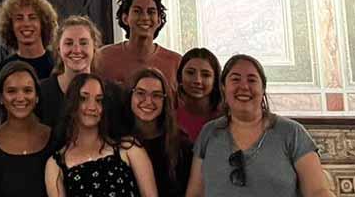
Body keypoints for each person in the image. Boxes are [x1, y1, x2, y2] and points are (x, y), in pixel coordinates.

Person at [185, 55, 333, 197]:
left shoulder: (292, 133)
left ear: (263, 89)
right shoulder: (209, 133)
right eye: (235, 79)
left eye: (252, 80)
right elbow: (195, 193)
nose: (244, 86)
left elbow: (317, 191)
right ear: (223, 87)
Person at [44, 73, 158, 197]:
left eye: (99, 100)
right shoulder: (56, 165)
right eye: (83, 98)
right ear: (71, 103)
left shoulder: (129, 148)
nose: (92, 107)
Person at [0, 61, 53, 197]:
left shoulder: (55, 139)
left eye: (27, 90)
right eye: (11, 91)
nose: (20, 98)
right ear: (0, 98)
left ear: (37, 97)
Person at [38, 15, 124, 133]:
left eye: (83, 43)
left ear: (94, 47)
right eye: (69, 43)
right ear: (58, 49)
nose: (77, 50)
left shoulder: (113, 94)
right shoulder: (41, 92)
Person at [96, 0, 182, 98]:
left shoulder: (175, 63)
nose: (145, 17)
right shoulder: (103, 58)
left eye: (151, 12)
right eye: (137, 11)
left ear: (159, 20)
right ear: (125, 18)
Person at [0, 0, 58, 113]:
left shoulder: (59, 65)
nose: (26, 24)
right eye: (19, 18)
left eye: (32, 17)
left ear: (43, 24)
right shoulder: (0, 70)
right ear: (10, 26)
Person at [128, 68, 192, 197]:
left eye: (156, 95)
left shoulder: (181, 145)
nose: (148, 101)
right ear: (131, 95)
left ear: (165, 101)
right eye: (140, 93)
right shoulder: (117, 139)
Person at [175, 48, 223, 143]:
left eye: (206, 75)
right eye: (190, 73)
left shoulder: (227, 117)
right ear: (180, 76)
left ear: (215, 80)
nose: (197, 80)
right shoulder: (169, 116)